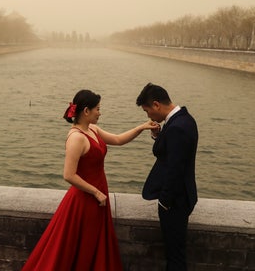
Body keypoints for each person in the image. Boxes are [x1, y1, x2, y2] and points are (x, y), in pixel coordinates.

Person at [22, 89, 158, 270]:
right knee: (83, 246)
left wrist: (141, 127)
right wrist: (95, 192)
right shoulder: (76, 138)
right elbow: (69, 175)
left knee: (92, 244)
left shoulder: (92, 129)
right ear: (86, 111)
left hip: (97, 196)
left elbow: (117, 140)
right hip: (86, 199)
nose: (100, 113)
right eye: (97, 109)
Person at [136, 83, 198, 271]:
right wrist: (158, 135)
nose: (148, 116)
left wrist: (165, 201)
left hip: (175, 202)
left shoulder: (177, 127)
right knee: (174, 251)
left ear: (156, 105)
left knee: (175, 255)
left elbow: (175, 169)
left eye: (147, 111)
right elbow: (170, 153)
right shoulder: (183, 120)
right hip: (179, 198)